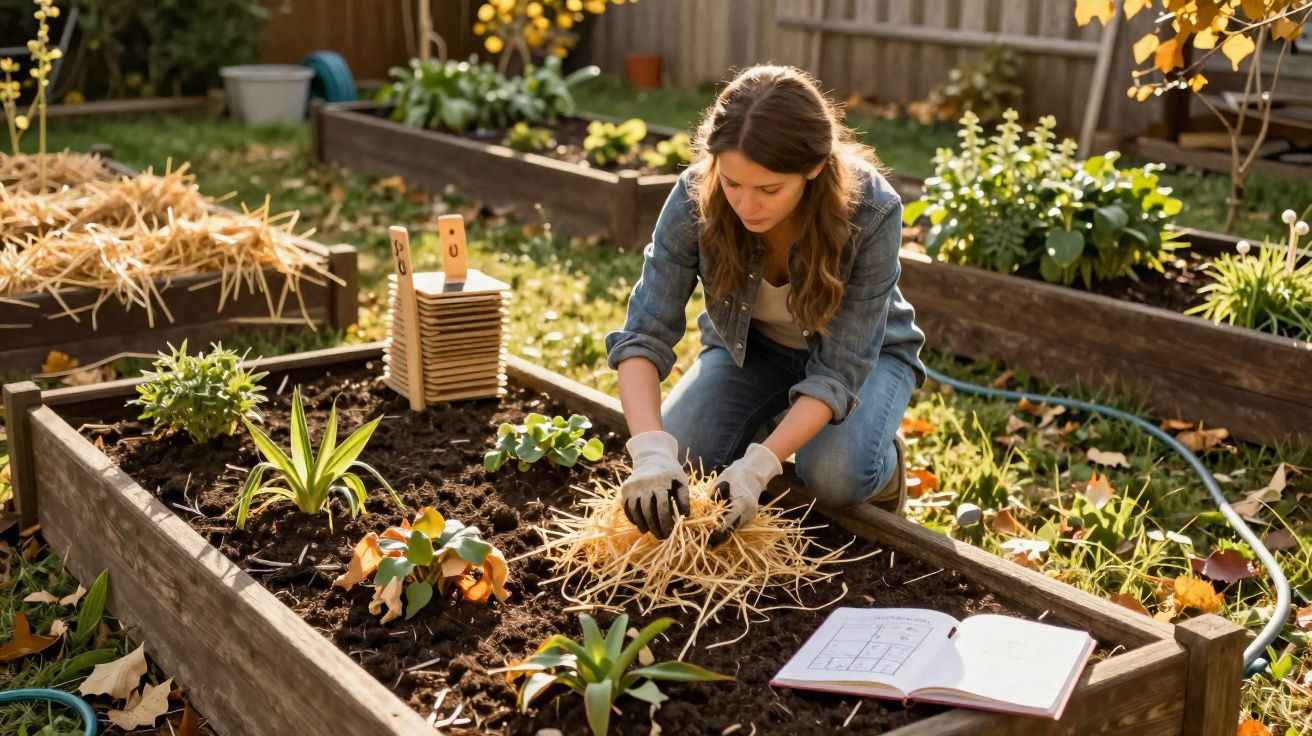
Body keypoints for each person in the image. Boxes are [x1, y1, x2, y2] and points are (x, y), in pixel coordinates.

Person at [604, 65, 926, 546]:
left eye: (769, 189)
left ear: (813, 168)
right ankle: (783, 419)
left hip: (867, 360)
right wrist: (651, 451)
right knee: (685, 450)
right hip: (752, 351)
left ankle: (883, 462)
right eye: (732, 183)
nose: (746, 205)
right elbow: (643, 334)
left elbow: (839, 369)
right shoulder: (695, 196)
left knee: (835, 475)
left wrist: (759, 466)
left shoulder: (872, 210)